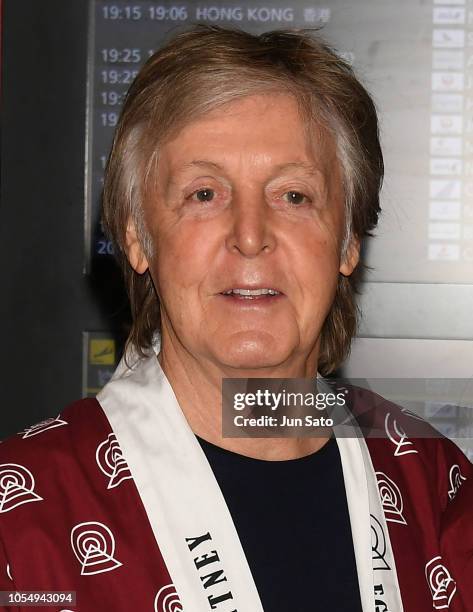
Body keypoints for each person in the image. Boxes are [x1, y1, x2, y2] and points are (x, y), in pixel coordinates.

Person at [0, 24, 471, 612]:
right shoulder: (24, 515)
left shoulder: (436, 489)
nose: (251, 237)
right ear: (137, 237)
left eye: (293, 196)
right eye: (204, 194)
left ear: (348, 240)